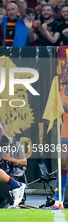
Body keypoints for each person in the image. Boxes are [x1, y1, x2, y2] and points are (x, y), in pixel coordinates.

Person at [46, 67, 68, 210]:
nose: (65, 73)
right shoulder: (62, 91)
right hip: (65, 134)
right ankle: (58, 201)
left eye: (67, 72)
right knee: (63, 166)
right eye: (65, 71)